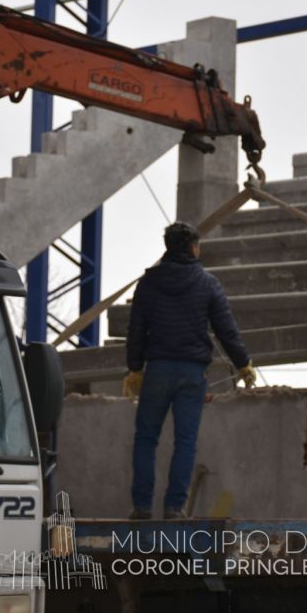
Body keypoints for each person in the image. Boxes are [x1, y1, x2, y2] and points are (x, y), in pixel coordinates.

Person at [123, 221, 256, 520]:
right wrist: (242, 363)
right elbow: (226, 330)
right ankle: (174, 508)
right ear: (193, 247)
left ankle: (142, 507)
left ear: (168, 247)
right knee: (185, 441)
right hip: (192, 372)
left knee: (146, 438)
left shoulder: (148, 283)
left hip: (157, 368)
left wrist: (134, 368)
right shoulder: (207, 283)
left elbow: (136, 330)